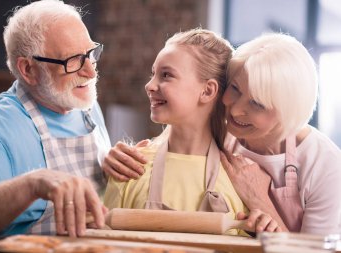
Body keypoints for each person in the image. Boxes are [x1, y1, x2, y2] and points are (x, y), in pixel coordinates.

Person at [102, 33, 341, 235]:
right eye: (235, 89)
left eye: (256, 103)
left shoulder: (324, 163)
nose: (234, 109)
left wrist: (260, 200)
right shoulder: (225, 136)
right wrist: (117, 156)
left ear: (285, 111)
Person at [0, 0, 110, 237]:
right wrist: (32, 184)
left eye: (90, 54)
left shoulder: (85, 102)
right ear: (28, 70)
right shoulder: (1, 124)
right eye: (72, 60)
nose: (90, 71)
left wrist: (113, 166)